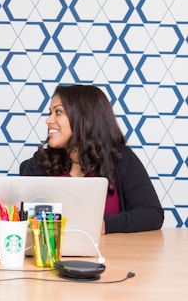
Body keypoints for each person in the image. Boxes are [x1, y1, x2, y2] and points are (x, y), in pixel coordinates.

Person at [20, 84, 164, 234]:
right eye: (50, 113)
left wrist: (103, 225)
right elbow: (23, 220)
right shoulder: (39, 163)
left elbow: (152, 214)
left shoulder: (121, 158)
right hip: (52, 254)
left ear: (84, 117)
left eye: (58, 112)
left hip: (110, 254)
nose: (48, 120)